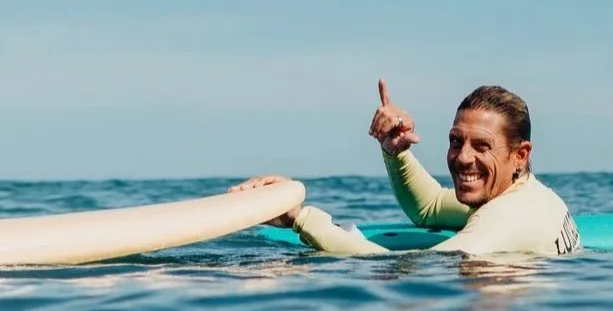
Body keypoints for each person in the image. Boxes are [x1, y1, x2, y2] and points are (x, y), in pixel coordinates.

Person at [237, 82, 579, 257]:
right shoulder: (523, 194)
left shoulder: (505, 221)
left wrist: (299, 218)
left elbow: (418, 264)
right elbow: (429, 208)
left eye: (482, 146)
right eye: (456, 141)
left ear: (520, 154)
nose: (462, 158)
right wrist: (395, 152)